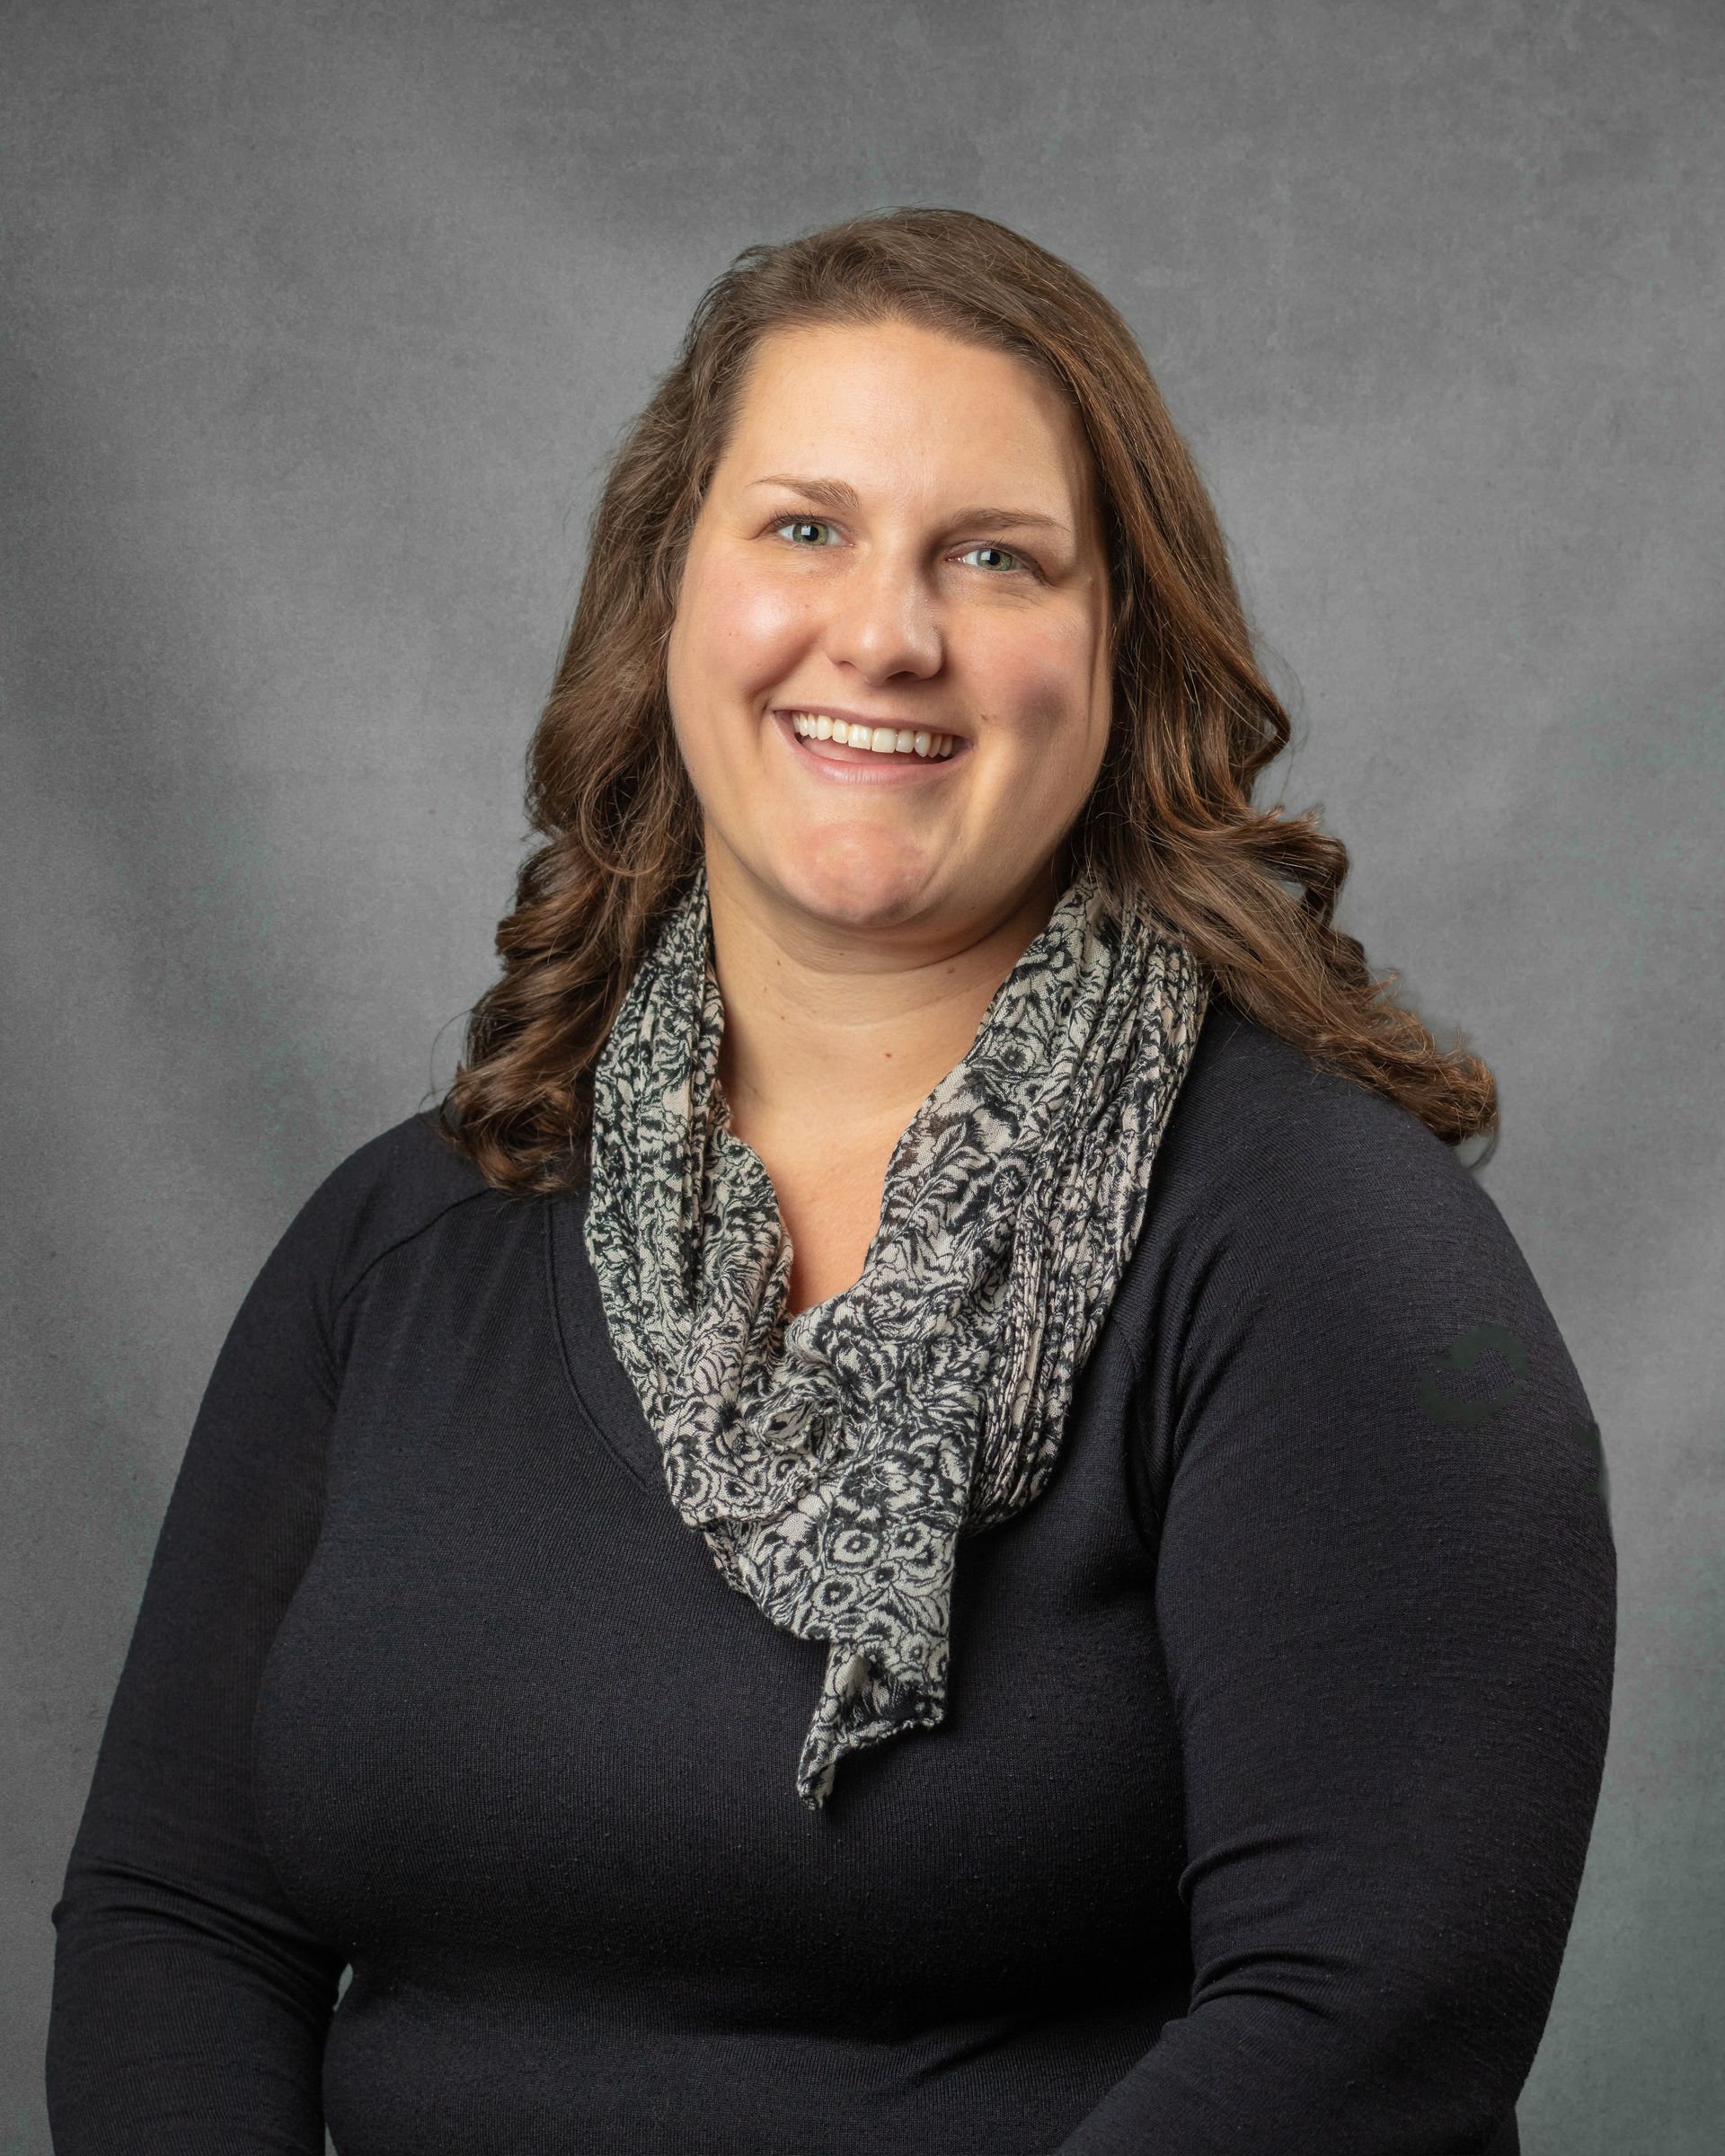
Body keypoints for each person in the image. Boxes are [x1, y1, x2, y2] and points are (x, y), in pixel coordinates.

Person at [46, 208, 1615, 2154]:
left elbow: (1368, 2023)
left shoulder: (1321, 1252)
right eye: (805, 527)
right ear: (669, 599)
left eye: (996, 555)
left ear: (1121, 651)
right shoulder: (401, 1247)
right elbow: (177, 1920)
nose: (885, 633)